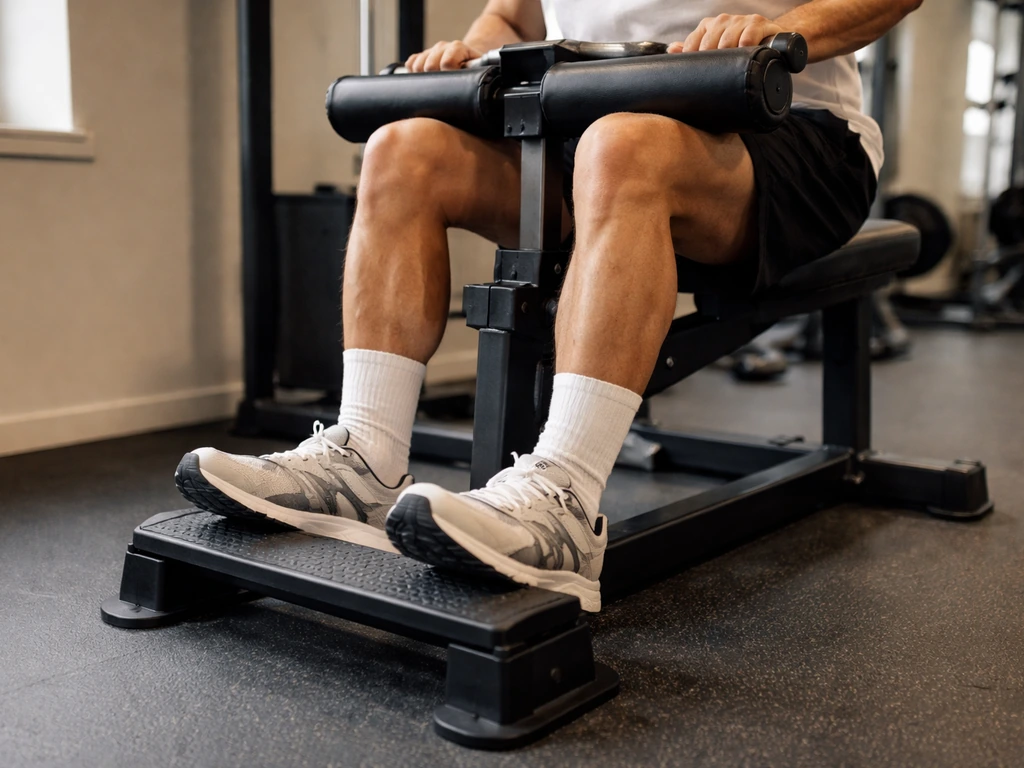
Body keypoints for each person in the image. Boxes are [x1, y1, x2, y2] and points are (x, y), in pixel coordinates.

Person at [176, 0, 920, 612]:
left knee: (622, 147)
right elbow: (511, 15)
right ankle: (362, 459)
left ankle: (563, 499)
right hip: (584, 123)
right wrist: (472, 48)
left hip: (784, 126)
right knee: (402, 150)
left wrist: (781, 28)